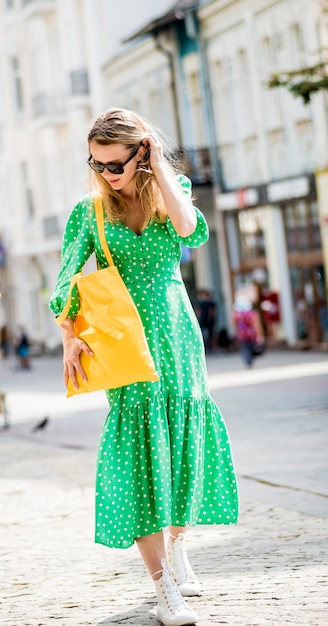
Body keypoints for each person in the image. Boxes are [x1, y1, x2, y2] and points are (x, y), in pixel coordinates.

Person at [50, 108, 238, 626]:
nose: (106, 174)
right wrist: (69, 334)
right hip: (125, 346)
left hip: (177, 337)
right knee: (140, 460)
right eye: (97, 164)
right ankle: (162, 590)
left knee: (182, 449)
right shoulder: (88, 212)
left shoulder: (168, 191)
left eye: (116, 163)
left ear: (142, 152)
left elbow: (190, 230)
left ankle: (178, 547)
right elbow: (66, 277)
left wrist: (160, 171)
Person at [233, 296, 265, 368]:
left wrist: (236, 333)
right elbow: (256, 325)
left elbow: (235, 325)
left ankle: (248, 361)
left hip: (241, 334)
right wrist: (259, 334)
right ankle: (250, 361)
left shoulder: (237, 315)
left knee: (244, 348)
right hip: (251, 334)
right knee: (251, 347)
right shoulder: (252, 314)